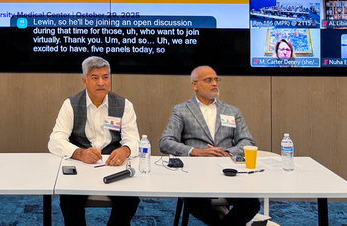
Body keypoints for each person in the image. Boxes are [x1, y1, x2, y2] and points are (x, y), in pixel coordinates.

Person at [159, 66, 261, 226]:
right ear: (195, 85)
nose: (214, 84)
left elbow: (248, 142)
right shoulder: (181, 110)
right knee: (195, 202)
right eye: (208, 80)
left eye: (216, 80)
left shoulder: (232, 111)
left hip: (229, 173)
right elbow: (165, 142)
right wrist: (196, 152)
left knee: (252, 203)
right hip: (196, 174)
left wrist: (228, 152)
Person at [48, 56, 140, 226]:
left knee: (130, 200)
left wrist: (125, 150)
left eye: (105, 77)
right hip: (82, 166)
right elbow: (55, 140)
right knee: (69, 201)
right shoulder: (71, 104)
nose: (101, 83)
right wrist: (79, 153)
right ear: (84, 81)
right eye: (95, 78)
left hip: (113, 165)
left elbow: (133, 139)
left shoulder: (124, 105)